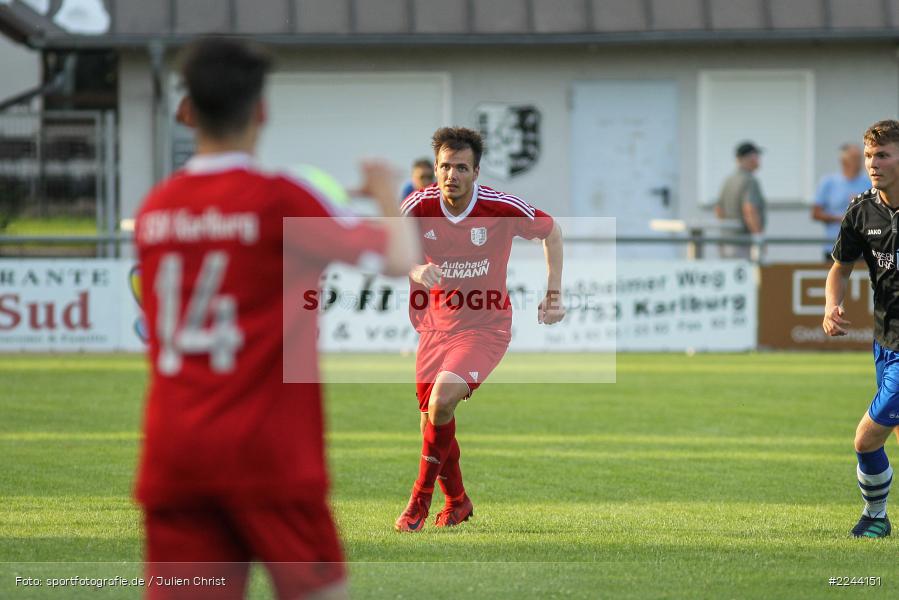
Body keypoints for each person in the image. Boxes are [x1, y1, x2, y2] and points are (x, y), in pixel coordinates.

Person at [134, 37, 416, 599]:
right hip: (267, 455)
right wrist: (387, 194)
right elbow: (400, 259)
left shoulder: (155, 209)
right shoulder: (280, 199)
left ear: (187, 113)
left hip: (174, 455)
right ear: (261, 110)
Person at [394, 127, 565, 532]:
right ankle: (458, 502)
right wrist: (416, 268)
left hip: (485, 326)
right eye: (444, 167)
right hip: (435, 328)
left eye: (460, 167)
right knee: (431, 421)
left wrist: (553, 293)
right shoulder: (417, 206)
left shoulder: (499, 207)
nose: (450, 175)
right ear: (434, 169)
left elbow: (553, 231)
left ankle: (418, 502)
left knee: (439, 404)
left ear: (476, 172)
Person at [824, 119, 899, 539]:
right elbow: (840, 268)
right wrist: (831, 304)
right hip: (885, 341)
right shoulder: (860, 211)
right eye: (870, 155)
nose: (873, 163)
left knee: (866, 440)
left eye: (883, 154)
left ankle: (875, 518)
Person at [812, 143, 871, 262]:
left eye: (862, 158)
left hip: (862, 248)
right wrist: (841, 219)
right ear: (844, 161)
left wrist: (862, 205)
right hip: (833, 247)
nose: (860, 162)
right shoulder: (828, 182)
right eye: (855, 158)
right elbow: (815, 213)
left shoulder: (868, 183)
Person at [715, 141, 766, 259]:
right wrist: (758, 237)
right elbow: (749, 210)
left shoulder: (729, 180)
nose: (758, 160)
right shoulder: (749, 181)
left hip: (726, 241)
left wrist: (728, 230)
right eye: (756, 156)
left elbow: (719, 210)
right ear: (749, 158)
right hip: (743, 243)